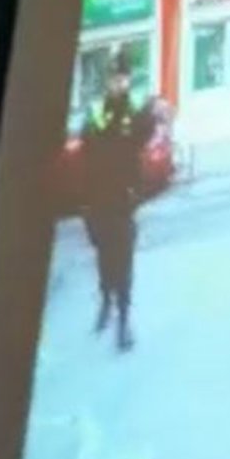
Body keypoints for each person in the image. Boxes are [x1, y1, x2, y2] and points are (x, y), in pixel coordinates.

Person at [80, 52, 156, 353]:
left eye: (122, 78)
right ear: (107, 81)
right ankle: (105, 301)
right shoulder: (97, 110)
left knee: (123, 261)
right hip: (97, 197)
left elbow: (146, 132)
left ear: (128, 79)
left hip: (123, 199)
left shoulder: (135, 109)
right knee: (104, 257)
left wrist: (148, 112)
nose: (118, 83)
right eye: (113, 78)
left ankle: (123, 320)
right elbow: (86, 146)